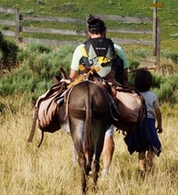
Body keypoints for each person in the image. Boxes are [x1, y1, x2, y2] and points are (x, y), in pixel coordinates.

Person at [68, 15, 130, 174]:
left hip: (85, 85)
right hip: (108, 89)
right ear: (105, 32)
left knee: (78, 129)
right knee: (107, 133)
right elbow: (124, 78)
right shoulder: (117, 49)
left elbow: (73, 76)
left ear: (89, 33)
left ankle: (81, 164)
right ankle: (106, 170)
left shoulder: (80, 49)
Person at [124, 68, 163, 173]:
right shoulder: (153, 96)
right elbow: (158, 112)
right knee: (154, 146)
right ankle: (150, 159)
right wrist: (159, 125)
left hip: (136, 122)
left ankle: (142, 171)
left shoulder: (134, 94)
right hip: (149, 123)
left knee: (140, 149)